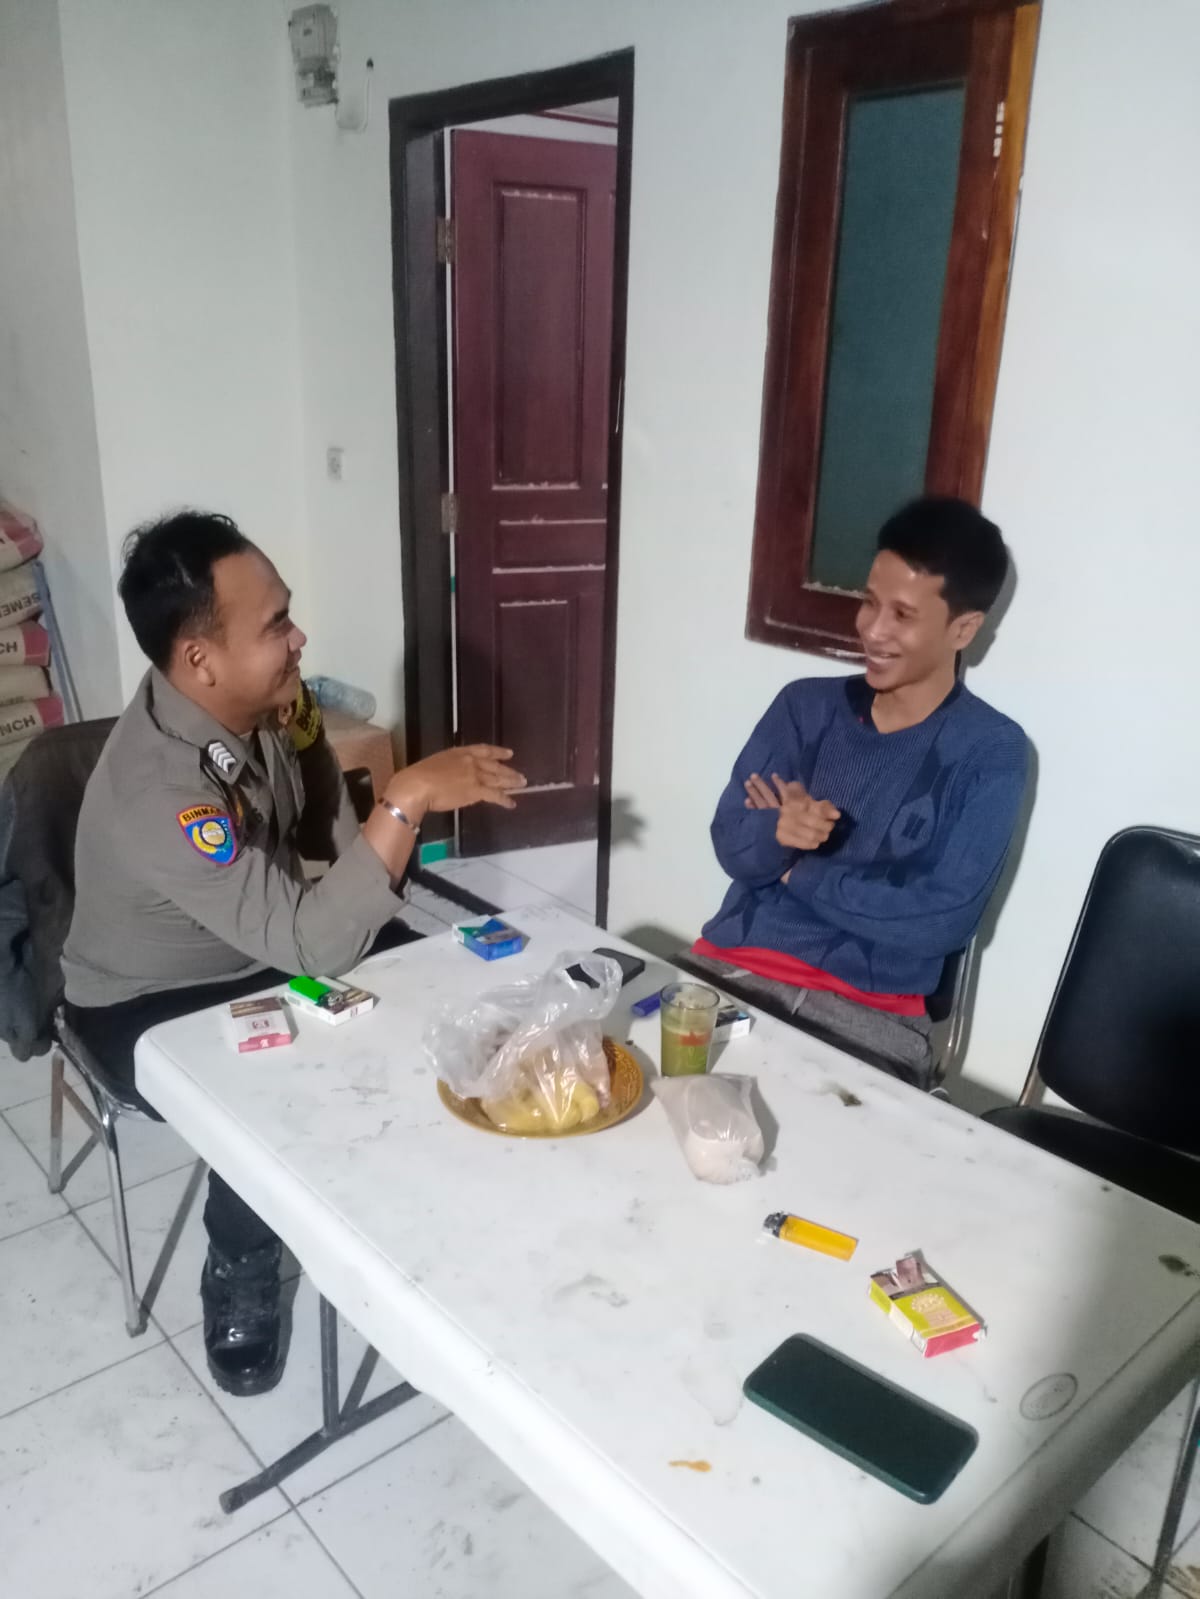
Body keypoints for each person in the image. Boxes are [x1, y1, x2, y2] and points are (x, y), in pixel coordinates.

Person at [62, 511, 525, 1396]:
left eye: (287, 612)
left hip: (260, 939)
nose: (299, 636)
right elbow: (312, 938)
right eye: (275, 623)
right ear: (200, 659)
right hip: (146, 998)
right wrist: (407, 797)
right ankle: (239, 1259)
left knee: (430, 977)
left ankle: (432, 1186)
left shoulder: (274, 701)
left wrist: (373, 872)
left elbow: (322, 832)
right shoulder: (163, 791)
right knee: (273, 1082)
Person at [690, 497, 1029, 1088]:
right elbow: (732, 845)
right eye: (870, 602)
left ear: (964, 629)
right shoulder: (804, 707)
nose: (871, 629)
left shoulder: (991, 751)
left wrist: (795, 871)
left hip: (872, 1018)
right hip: (734, 973)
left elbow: (942, 920)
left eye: (902, 614)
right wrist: (775, 833)